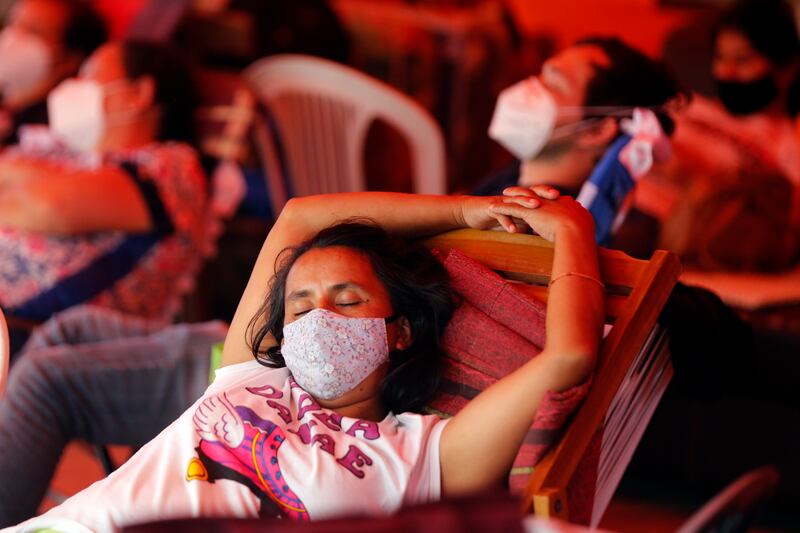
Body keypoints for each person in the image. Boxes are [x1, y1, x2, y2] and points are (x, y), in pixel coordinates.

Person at [6, 187, 604, 531]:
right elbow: (300, 216)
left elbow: (569, 355)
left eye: (347, 300)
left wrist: (573, 228)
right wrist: (465, 210)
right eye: (300, 306)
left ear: (397, 332)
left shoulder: (421, 456)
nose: (319, 318)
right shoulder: (251, 372)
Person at [0, 39, 209, 353]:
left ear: (139, 94)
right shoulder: (72, 158)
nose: (71, 88)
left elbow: (45, 205)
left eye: (89, 75)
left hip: (31, 345)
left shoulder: (171, 166)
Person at [472, 36, 680, 258]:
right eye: (541, 76)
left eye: (552, 84)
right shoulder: (510, 176)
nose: (527, 89)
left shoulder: (559, 228)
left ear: (597, 130)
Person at [651, 0, 800, 271]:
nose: (726, 71)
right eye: (720, 58)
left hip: (661, 227)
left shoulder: (789, 144)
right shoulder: (686, 104)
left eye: (743, 60)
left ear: (786, 69)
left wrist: (700, 182)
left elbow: (781, 227)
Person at [0, 0, 107, 144]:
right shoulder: (9, 103)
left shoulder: (60, 127)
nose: (13, 37)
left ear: (69, 60)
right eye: (14, 24)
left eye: (33, 32)